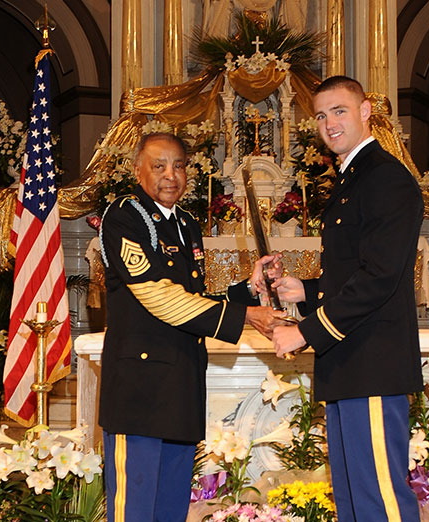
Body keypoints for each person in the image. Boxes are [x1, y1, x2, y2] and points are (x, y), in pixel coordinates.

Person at [98, 132, 285, 522]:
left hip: (181, 386)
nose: (171, 175)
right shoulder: (125, 216)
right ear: (137, 169)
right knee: (134, 509)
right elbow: (157, 295)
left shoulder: (185, 223)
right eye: (159, 165)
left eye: (179, 165)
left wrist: (248, 292)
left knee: (170, 509)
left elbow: (195, 298)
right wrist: (246, 318)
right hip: (140, 393)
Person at [271, 76, 424, 521]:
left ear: (365, 111)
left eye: (339, 111)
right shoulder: (353, 178)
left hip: (372, 366)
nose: (329, 123)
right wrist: (307, 291)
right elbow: (355, 270)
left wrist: (304, 331)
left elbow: (379, 278)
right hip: (350, 363)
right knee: (355, 502)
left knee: (380, 501)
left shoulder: (385, 179)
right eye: (321, 115)